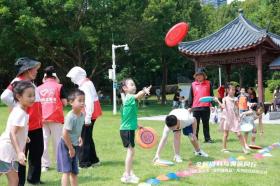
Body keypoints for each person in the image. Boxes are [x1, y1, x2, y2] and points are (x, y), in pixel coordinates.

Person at [1, 57, 44, 185]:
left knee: (37, 152)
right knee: (20, 156)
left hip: (35, 124)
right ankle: (20, 183)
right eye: (34, 69)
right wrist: (19, 107)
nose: (36, 71)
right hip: (24, 125)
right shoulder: (18, 82)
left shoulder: (30, 82)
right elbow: (4, 96)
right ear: (27, 70)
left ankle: (33, 179)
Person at [0, 81, 35, 186]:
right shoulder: (20, 113)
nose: (32, 98)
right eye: (29, 96)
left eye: (33, 95)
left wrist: (25, 137)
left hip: (8, 150)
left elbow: (16, 130)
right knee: (14, 181)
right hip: (8, 151)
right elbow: (12, 133)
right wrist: (20, 152)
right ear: (19, 97)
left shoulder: (19, 110)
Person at [66, 67, 102, 168]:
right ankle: (94, 160)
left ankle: (84, 162)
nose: (72, 79)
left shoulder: (85, 85)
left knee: (84, 138)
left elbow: (89, 101)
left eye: (73, 77)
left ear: (78, 76)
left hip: (88, 114)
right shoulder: (87, 83)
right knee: (88, 137)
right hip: (90, 114)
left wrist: (87, 118)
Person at [119, 78, 151, 184]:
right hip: (127, 130)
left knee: (131, 152)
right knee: (130, 151)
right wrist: (144, 91)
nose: (134, 86)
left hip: (129, 129)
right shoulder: (128, 97)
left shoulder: (130, 99)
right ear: (125, 88)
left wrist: (137, 125)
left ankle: (129, 173)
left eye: (134, 84)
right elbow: (137, 95)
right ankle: (127, 176)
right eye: (131, 85)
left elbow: (128, 116)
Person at [38, 66, 68, 172]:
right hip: (56, 117)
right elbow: (65, 103)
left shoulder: (39, 88)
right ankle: (60, 163)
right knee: (58, 141)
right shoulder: (59, 86)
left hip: (41, 118)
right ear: (55, 76)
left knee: (43, 141)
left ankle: (44, 165)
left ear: (45, 76)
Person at [57, 89, 85, 186]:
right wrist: (70, 148)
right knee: (67, 171)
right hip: (66, 145)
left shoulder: (82, 115)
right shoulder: (70, 117)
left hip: (74, 145)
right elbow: (65, 133)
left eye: (83, 100)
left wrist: (80, 136)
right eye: (80, 100)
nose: (82, 103)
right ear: (71, 102)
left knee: (74, 171)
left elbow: (77, 128)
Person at [214, 84, 249, 154]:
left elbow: (237, 108)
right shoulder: (224, 99)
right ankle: (224, 148)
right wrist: (217, 100)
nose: (233, 91)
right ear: (227, 90)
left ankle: (244, 148)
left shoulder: (236, 98)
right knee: (226, 134)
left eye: (234, 90)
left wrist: (238, 117)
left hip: (234, 118)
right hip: (227, 118)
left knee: (239, 134)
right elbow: (223, 106)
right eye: (232, 89)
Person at [188, 68, 213, 143]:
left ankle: (207, 139)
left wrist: (212, 105)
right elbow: (191, 96)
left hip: (206, 107)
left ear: (204, 76)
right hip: (196, 108)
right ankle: (195, 138)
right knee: (195, 125)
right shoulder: (193, 84)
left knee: (206, 124)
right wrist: (189, 107)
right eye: (197, 75)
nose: (198, 76)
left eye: (200, 75)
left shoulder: (208, 83)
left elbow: (211, 95)